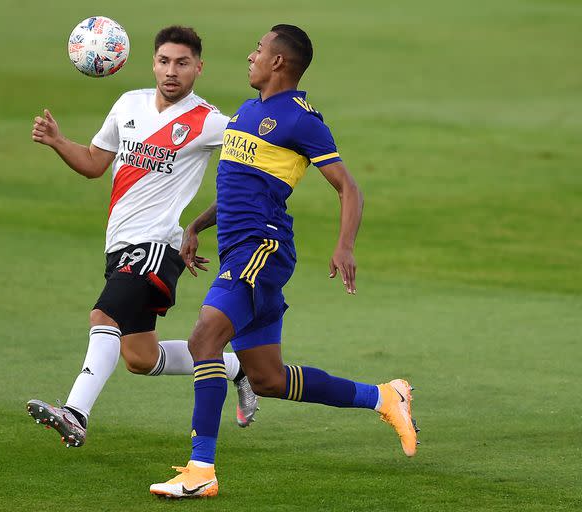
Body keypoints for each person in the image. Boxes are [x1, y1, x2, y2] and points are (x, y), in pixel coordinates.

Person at [150, 24, 418, 499]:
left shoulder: (300, 119)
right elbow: (238, 186)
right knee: (268, 379)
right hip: (239, 247)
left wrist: (345, 245)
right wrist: (195, 226)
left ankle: (201, 469)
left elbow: (348, 187)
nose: (250, 56)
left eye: (258, 49)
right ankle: (384, 396)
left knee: (204, 339)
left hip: (262, 248)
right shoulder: (247, 111)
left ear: (278, 62)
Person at [26, 26, 259, 449]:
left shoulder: (207, 121)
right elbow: (96, 163)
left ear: (198, 68)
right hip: (119, 245)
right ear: (153, 63)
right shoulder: (128, 104)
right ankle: (238, 366)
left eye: (182, 63)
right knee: (140, 357)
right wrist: (59, 142)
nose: (172, 71)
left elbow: (256, 152)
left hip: (156, 247)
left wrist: (202, 224)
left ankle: (75, 413)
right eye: (165, 61)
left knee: (103, 317)